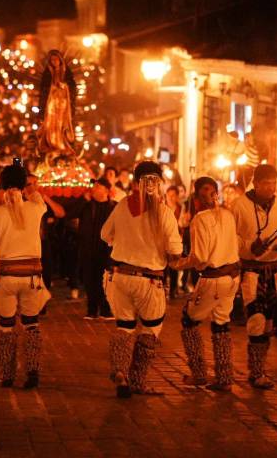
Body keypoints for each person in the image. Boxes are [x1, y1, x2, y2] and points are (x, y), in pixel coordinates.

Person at [101, 161, 183, 398]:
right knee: (150, 328)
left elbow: (105, 234)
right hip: (150, 280)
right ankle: (136, 380)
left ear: (136, 182)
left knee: (124, 326)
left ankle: (119, 370)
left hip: (120, 276)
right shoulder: (165, 212)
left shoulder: (121, 206)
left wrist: (123, 242)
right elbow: (175, 249)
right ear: (159, 183)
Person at [0, 160, 51, 389]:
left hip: (7, 276)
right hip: (32, 276)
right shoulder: (35, 208)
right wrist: (27, 187)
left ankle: (6, 373)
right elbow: (37, 197)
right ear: (23, 186)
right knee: (31, 324)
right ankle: (32, 370)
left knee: (6, 325)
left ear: (2, 187)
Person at [172, 177, 240, 392]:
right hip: (232, 278)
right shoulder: (228, 216)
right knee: (221, 323)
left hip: (212, 279)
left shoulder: (200, 219)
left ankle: (199, 374)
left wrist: (177, 264)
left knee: (189, 319)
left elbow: (199, 257)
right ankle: (224, 377)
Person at [230, 163, 277, 389]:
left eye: (274, 183)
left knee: (268, 322)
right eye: (266, 183)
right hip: (252, 271)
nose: (271, 187)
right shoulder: (239, 205)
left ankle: (260, 367)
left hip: (274, 270)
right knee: (255, 318)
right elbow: (232, 237)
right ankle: (256, 372)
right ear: (255, 183)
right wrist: (248, 247)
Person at [68, 178, 116, 319]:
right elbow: (70, 214)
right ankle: (92, 310)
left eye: (98, 187)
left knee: (106, 280)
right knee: (90, 280)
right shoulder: (87, 205)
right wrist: (83, 200)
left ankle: (106, 310)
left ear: (106, 190)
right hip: (88, 248)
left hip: (107, 250)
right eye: (94, 186)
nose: (94, 189)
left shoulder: (114, 207)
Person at [37, 50, 76, 156]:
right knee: (51, 124)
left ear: (60, 59)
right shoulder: (47, 73)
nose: (54, 62)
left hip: (63, 103)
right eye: (52, 60)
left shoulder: (66, 72)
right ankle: (52, 142)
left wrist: (64, 86)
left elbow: (72, 86)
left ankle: (61, 143)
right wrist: (52, 88)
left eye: (56, 59)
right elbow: (44, 89)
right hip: (51, 103)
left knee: (61, 123)